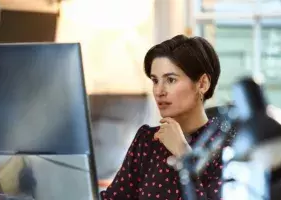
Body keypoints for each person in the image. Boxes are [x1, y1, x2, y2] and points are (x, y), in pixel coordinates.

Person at [100, 35, 236, 200]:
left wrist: (184, 154)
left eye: (170, 80)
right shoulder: (147, 141)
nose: (159, 91)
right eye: (155, 81)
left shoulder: (225, 147)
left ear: (202, 84)